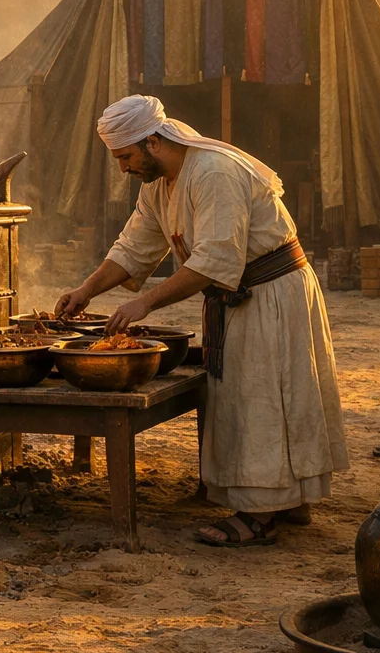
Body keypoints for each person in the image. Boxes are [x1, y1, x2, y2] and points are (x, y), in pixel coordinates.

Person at [55, 94, 348, 547]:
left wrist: (144, 304)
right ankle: (287, 499)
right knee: (262, 397)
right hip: (240, 297)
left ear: (153, 141)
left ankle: (259, 516)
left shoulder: (213, 172)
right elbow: (133, 248)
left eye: (126, 157)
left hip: (271, 293)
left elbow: (214, 260)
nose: (123, 168)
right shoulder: (158, 185)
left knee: (262, 400)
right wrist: (86, 290)